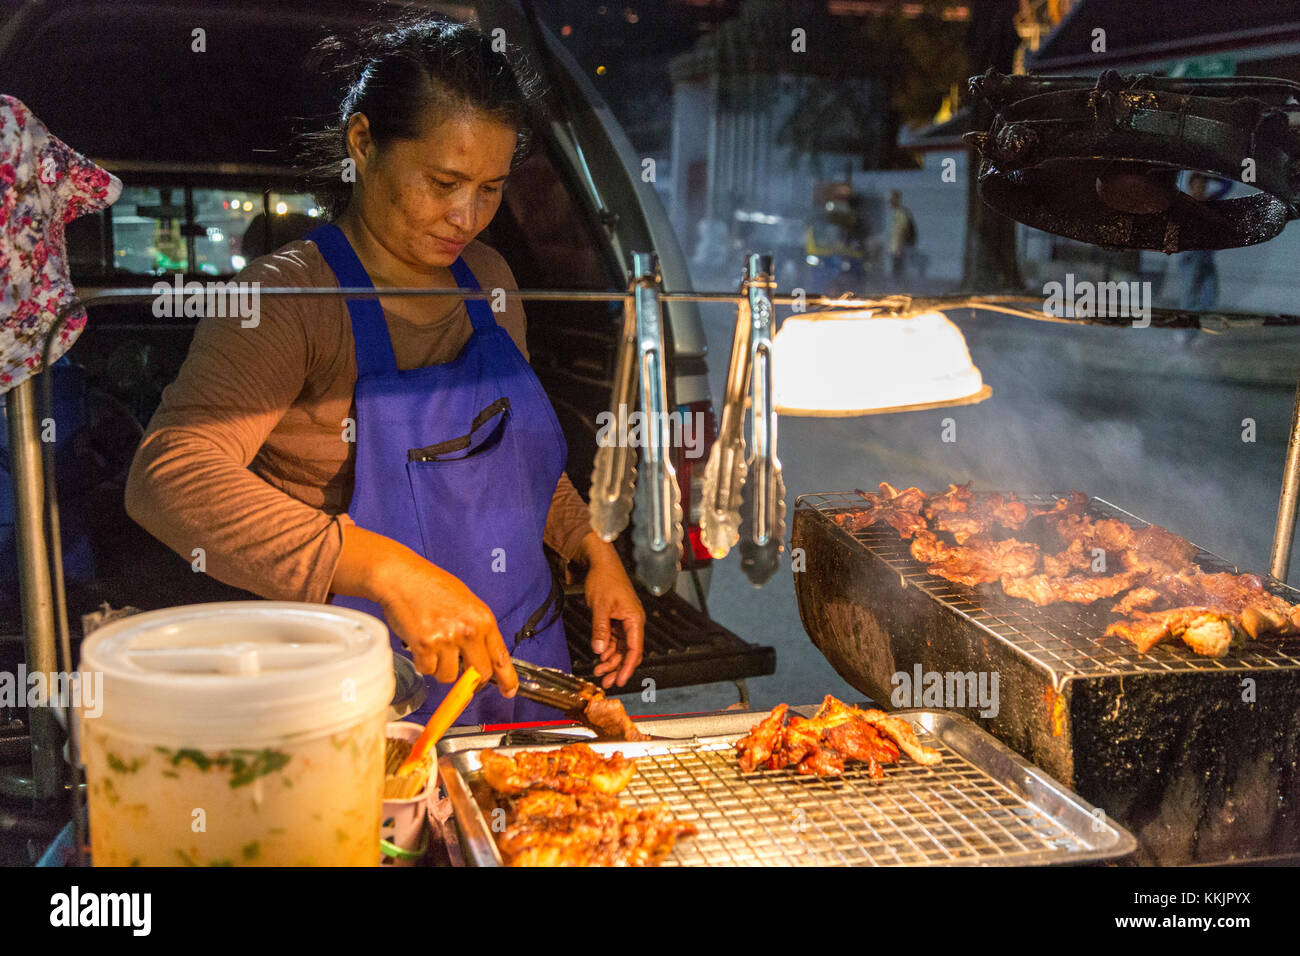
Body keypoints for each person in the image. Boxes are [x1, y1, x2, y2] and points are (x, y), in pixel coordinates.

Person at [124, 18, 646, 724]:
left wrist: (588, 546)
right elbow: (169, 475)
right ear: (364, 143)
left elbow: (513, 460)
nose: (466, 215)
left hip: (527, 670)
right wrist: (382, 565)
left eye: (490, 188)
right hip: (371, 698)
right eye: (444, 181)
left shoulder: (489, 280)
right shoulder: (288, 301)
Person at [1178, 173, 1219, 312]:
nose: (1201, 189)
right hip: (1191, 253)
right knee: (1190, 290)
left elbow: (1228, 185)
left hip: (1206, 253)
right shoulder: (1185, 204)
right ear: (1191, 187)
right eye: (1198, 185)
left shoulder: (1210, 201)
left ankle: (1194, 324)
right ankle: (1184, 328)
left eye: (1204, 185)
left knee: (1210, 292)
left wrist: (1212, 177)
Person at [887, 190, 916, 280]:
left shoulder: (901, 213)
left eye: (891, 199)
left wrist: (899, 248)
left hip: (899, 249)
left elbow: (902, 231)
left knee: (898, 273)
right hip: (896, 249)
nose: (889, 202)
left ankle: (899, 290)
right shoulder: (896, 213)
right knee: (895, 271)